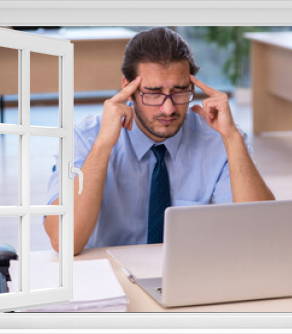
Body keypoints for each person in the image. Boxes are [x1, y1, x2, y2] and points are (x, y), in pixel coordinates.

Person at [44, 27, 275, 255]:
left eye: (180, 91)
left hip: (190, 274)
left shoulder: (218, 139)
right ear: (128, 88)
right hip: (109, 279)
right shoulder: (85, 138)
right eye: (153, 93)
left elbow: (262, 234)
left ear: (192, 86)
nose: (168, 108)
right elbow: (64, 242)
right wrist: (104, 145)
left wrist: (233, 138)